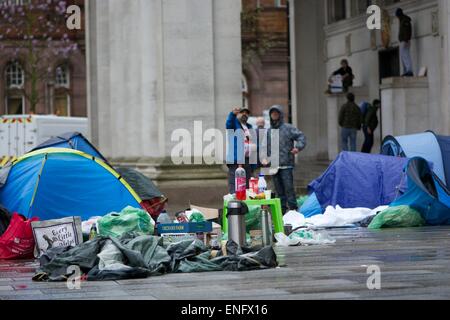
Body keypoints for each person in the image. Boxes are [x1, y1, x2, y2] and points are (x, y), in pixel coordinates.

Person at [266, 105, 306, 214]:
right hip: (274, 165)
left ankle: (293, 210)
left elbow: (301, 136)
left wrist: (298, 147)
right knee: (278, 191)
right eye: (272, 114)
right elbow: (266, 147)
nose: (274, 115)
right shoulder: (269, 131)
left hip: (286, 164)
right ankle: (282, 212)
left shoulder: (288, 128)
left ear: (280, 115)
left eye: (276, 113)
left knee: (289, 189)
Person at [226, 107, 255, 194]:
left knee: (246, 186)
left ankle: (244, 206)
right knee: (235, 185)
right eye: (242, 112)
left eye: (247, 113)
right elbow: (229, 124)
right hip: (236, 160)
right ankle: (234, 206)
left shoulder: (249, 127)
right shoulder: (235, 124)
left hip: (247, 160)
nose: (245, 114)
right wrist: (232, 114)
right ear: (238, 114)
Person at [396, 8, 414, 77]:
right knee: (403, 56)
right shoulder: (402, 20)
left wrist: (406, 40)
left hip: (405, 41)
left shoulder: (405, 20)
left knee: (406, 55)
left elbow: (407, 31)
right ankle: (406, 70)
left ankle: (409, 70)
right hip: (403, 40)